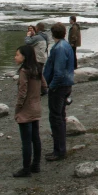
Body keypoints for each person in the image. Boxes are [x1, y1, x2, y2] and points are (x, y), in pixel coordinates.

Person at [13, 44, 47, 177]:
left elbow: (22, 92)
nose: (15, 57)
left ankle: (26, 169)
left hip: (26, 109)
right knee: (35, 138)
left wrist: (18, 107)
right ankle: (36, 165)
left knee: (26, 141)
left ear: (24, 56)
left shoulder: (24, 71)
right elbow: (44, 86)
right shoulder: (37, 68)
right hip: (36, 107)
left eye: (17, 55)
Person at [43, 22, 74, 161]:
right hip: (65, 85)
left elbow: (59, 71)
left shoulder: (60, 48)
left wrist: (51, 86)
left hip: (60, 87)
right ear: (64, 33)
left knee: (56, 119)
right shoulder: (65, 45)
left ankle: (59, 151)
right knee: (59, 117)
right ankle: (59, 149)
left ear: (52, 33)